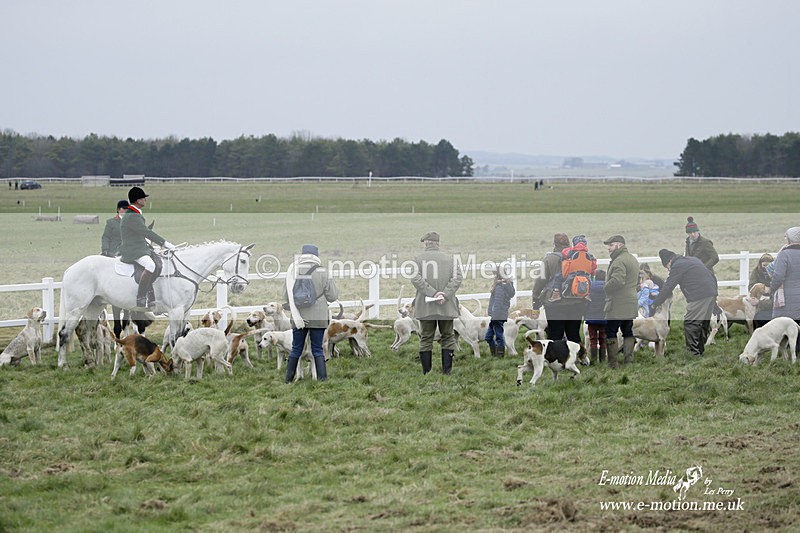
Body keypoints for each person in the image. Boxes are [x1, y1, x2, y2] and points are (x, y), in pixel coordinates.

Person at [283, 244, 339, 382]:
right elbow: (333, 296)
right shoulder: (323, 271)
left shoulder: (293, 271)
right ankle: (322, 380)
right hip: (318, 316)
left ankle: (288, 380)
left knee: (296, 348)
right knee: (317, 349)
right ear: (316, 256)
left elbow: (286, 296)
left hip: (298, 316)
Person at [411, 231, 463, 374]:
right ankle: (447, 371)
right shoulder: (450, 259)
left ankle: (427, 372)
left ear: (426, 243)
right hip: (446, 305)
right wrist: (444, 295)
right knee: (448, 337)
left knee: (426, 338)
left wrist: (433, 293)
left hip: (426, 305)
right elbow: (457, 278)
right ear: (437, 243)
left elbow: (416, 279)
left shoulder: (417, 259)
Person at [650, 249, 718, 356]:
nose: (668, 270)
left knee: (690, 323)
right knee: (702, 323)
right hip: (711, 292)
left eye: (667, 268)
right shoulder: (692, 260)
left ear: (668, 262)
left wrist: (655, 303)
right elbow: (710, 275)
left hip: (699, 295)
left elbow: (668, 286)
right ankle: (700, 350)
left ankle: (693, 354)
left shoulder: (677, 266)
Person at [119, 186, 175, 311]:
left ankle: (151, 295)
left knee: (158, 261)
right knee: (150, 265)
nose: (146, 200)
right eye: (144, 198)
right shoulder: (132, 216)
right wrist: (165, 243)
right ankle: (141, 297)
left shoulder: (134, 214)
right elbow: (146, 232)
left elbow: (139, 234)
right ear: (138, 200)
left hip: (139, 247)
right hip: (133, 250)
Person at [532, 233, 589, 344]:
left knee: (555, 334)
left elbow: (540, 282)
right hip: (576, 301)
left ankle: (558, 359)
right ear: (569, 243)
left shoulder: (549, 259)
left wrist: (535, 300)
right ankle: (578, 359)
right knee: (573, 334)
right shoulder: (578, 256)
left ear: (555, 244)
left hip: (555, 304)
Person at [602, 235, 639, 367]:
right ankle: (629, 361)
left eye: (611, 245)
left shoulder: (619, 261)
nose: (608, 248)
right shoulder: (632, 259)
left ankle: (613, 363)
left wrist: (605, 288)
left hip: (619, 303)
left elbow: (617, 281)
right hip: (631, 301)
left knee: (611, 331)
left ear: (619, 245)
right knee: (627, 331)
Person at [101, 199, 130, 338]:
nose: (126, 211)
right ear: (119, 210)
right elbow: (106, 237)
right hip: (113, 254)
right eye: (124, 209)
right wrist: (105, 250)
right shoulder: (111, 223)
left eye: (127, 209)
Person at [770, 227, 800, 325]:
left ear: (790, 238)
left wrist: (772, 288)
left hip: (788, 299)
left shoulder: (784, 254)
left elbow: (778, 276)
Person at [484, 263, 515, 357]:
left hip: (497, 315)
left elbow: (498, 303)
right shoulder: (505, 285)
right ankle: (495, 354)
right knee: (488, 337)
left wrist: (494, 316)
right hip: (499, 315)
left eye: (494, 275)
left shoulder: (499, 287)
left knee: (499, 336)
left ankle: (499, 356)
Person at [585, 269, 607, 364]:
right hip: (604, 318)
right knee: (603, 339)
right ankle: (602, 361)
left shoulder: (590, 286)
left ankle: (593, 361)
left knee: (593, 340)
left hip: (592, 318)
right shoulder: (608, 287)